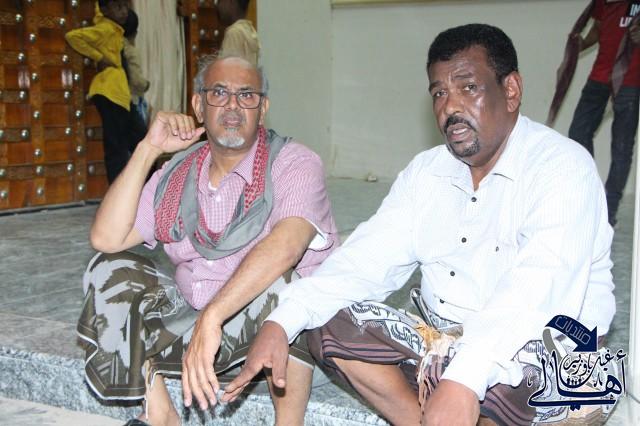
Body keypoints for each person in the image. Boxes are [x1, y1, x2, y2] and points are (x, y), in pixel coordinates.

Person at [224, 24, 616, 426]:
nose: (450, 107)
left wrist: (465, 378)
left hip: (546, 350)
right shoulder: (427, 172)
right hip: (446, 347)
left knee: (533, 382)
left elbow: (536, 293)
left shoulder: (562, 168)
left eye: (468, 88)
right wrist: (281, 320)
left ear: (511, 90)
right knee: (324, 318)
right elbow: (363, 262)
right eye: (439, 93)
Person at [77, 55, 338, 426]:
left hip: (274, 335)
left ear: (262, 108)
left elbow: (287, 246)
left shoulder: (294, 162)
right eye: (219, 93)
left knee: (288, 284)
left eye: (246, 95)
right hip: (194, 327)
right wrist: (149, 148)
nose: (233, 105)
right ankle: (160, 413)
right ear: (198, 105)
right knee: (109, 268)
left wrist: (213, 317)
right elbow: (107, 237)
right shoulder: (178, 171)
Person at [568, 0, 640, 226]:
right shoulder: (602, 2)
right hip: (598, 78)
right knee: (577, 134)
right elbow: (599, 29)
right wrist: (579, 45)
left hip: (630, 81)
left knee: (621, 148)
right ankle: (593, 196)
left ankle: (609, 211)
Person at [65, 0, 136, 184]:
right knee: (116, 145)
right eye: (118, 7)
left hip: (118, 94)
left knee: (128, 140)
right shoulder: (106, 29)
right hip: (109, 92)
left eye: (125, 7)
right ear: (104, 10)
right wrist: (99, 57)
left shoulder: (115, 29)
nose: (124, 11)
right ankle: (117, 190)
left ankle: (132, 187)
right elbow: (72, 36)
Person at [217, 0, 259, 66]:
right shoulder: (249, 29)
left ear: (231, 2)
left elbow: (228, 69)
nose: (218, 6)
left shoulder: (234, 33)